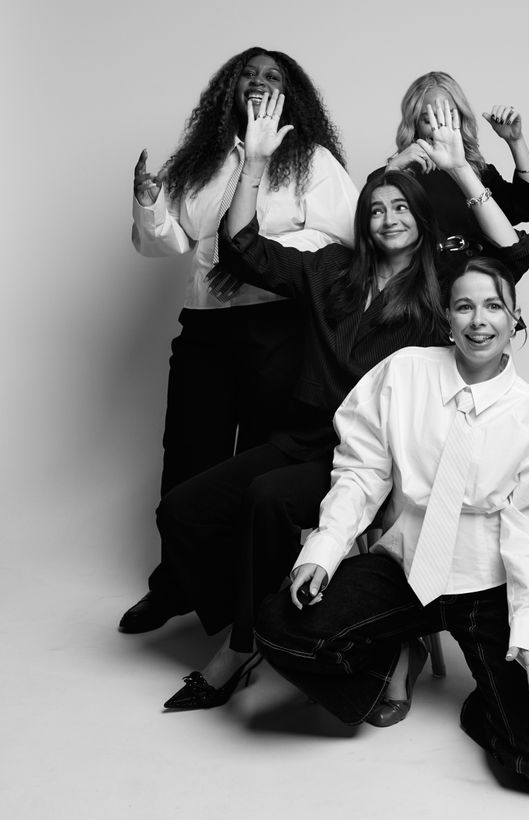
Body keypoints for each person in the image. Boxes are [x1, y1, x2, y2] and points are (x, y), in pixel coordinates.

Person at [156, 93, 529, 710]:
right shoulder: (331, 270)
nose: (389, 218)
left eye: (401, 208)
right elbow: (243, 249)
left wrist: (462, 169)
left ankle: (240, 645)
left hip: (373, 457)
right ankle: (257, 617)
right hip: (300, 437)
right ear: (362, 221)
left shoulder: (441, 289)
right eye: (376, 209)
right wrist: (254, 165)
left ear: (420, 217)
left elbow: (509, 256)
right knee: (182, 511)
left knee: (267, 501)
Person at [255, 257, 529, 799]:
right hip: (406, 568)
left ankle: (493, 703)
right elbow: (362, 469)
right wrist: (323, 550)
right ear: (447, 316)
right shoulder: (405, 373)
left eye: (493, 306)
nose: (478, 320)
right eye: (464, 305)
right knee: (280, 623)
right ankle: (387, 668)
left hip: (488, 585)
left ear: (515, 319)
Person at [119, 48, 358, 634]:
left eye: (273, 75)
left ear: (289, 93)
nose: (259, 81)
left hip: (278, 328)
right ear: (230, 88)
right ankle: (175, 585)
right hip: (204, 328)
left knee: (257, 464)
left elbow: (344, 240)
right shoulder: (199, 160)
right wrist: (150, 203)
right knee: (188, 457)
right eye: (248, 73)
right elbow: (169, 244)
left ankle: (247, 596)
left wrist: (253, 257)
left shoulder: (311, 159)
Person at [373, 71, 529, 248]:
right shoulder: (389, 176)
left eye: (449, 117)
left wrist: (515, 141)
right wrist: (393, 170)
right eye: (430, 120)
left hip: (478, 273)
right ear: (414, 125)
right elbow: (374, 235)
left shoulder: (479, 172)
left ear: (461, 119)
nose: (440, 129)